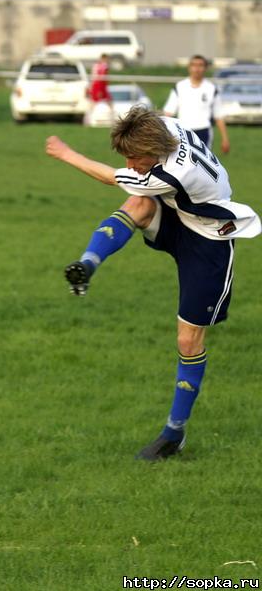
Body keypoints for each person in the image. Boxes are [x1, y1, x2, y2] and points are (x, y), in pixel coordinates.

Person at [46, 106, 260, 461]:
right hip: (181, 213)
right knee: (139, 202)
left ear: (152, 148)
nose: (131, 164)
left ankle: (174, 434)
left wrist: (67, 154)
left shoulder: (173, 174)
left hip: (209, 241)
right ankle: (86, 265)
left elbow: (106, 176)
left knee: (188, 340)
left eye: (134, 158)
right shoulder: (164, 126)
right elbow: (157, 114)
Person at [163, 54, 229, 154]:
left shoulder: (211, 89)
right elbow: (168, 112)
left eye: (200, 65)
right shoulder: (180, 87)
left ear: (205, 68)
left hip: (204, 131)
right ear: (189, 67)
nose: (197, 68)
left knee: (203, 162)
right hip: (183, 131)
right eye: (194, 65)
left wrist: (225, 139)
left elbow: (218, 116)